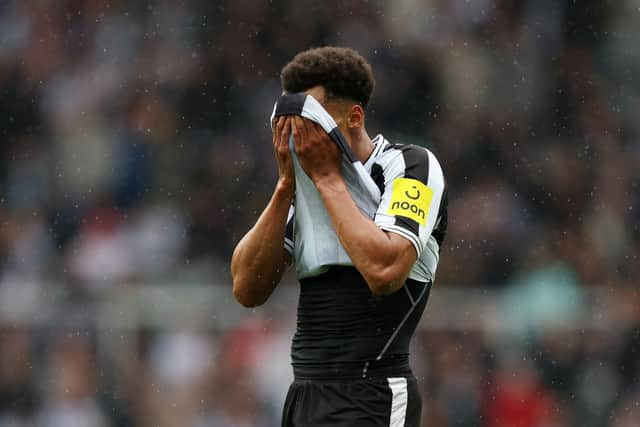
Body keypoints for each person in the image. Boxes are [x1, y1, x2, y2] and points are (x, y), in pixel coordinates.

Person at [231, 46, 447, 427]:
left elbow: (386, 271)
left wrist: (328, 179)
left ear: (354, 117)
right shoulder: (306, 187)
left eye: (313, 121)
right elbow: (247, 288)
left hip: (373, 395)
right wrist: (286, 185)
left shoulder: (410, 166)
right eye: (293, 125)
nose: (302, 135)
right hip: (303, 397)